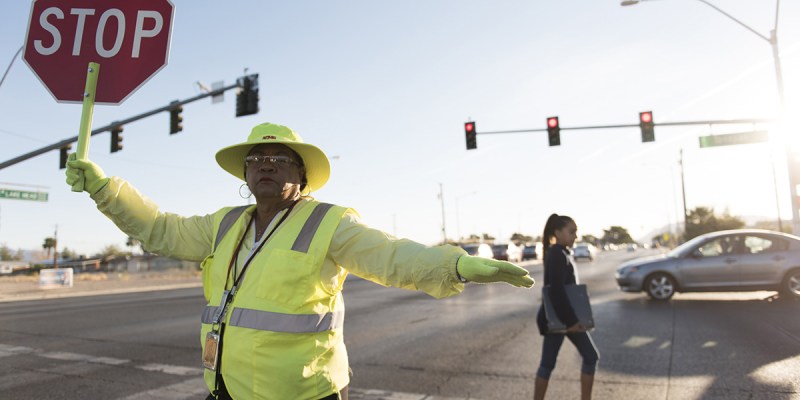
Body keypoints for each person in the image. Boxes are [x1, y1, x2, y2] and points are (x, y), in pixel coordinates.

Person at [65, 122, 535, 400]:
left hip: (301, 395)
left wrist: (454, 265)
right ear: (246, 173)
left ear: (302, 175)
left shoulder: (330, 222)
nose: (266, 165)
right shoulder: (224, 223)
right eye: (257, 159)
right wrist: (105, 190)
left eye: (280, 159)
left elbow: (391, 255)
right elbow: (160, 229)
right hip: (227, 388)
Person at [534, 214, 599, 400]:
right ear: (557, 232)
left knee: (550, 363)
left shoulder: (560, 253)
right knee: (585, 357)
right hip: (560, 318)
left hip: (560, 317)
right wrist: (571, 322)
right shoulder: (556, 254)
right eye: (571, 232)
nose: (575, 236)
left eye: (575, 232)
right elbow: (555, 291)